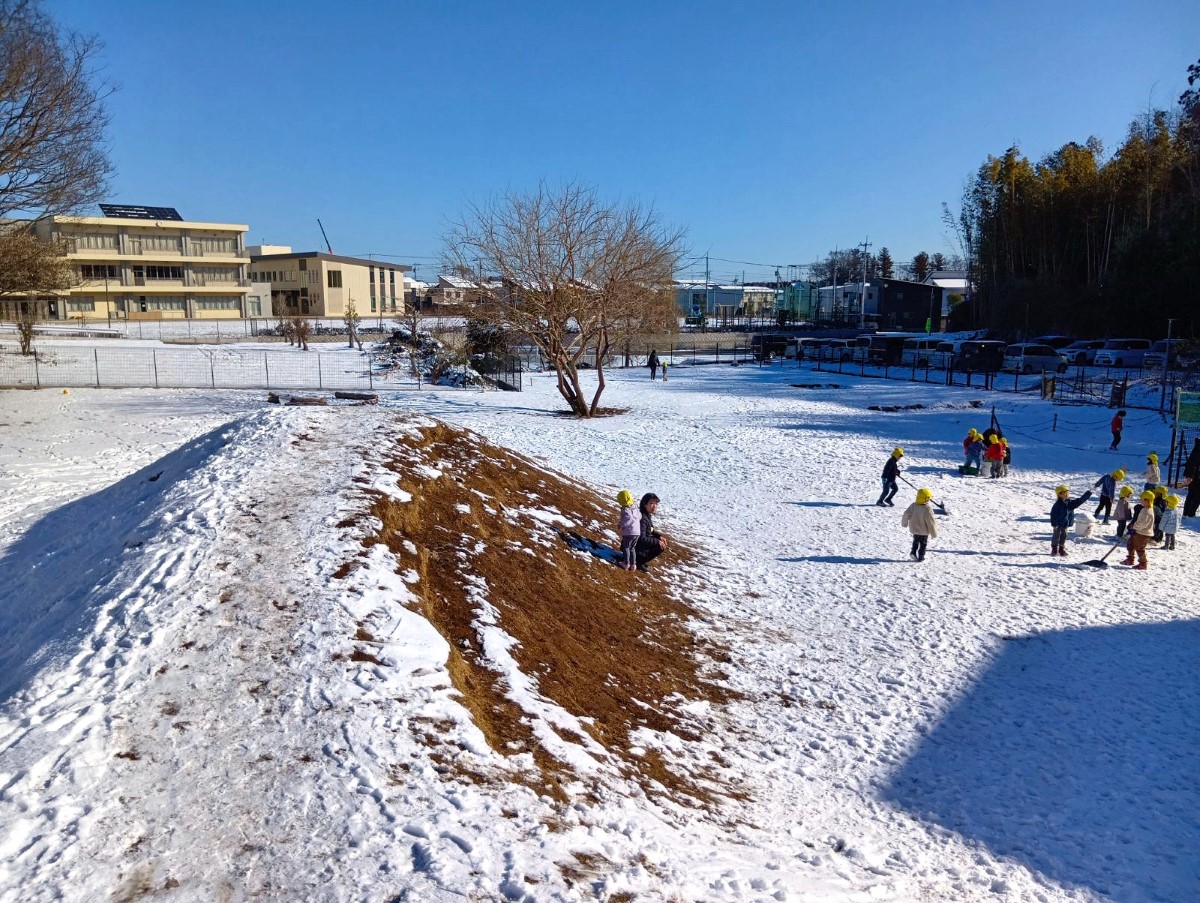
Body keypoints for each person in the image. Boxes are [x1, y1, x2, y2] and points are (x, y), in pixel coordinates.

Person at [1049, 484, 1092, 557]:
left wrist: (1088, 493)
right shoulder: (1057, 505)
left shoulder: (1069, 503)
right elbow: (1053, 515)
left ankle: (1061, 549)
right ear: (1059, 494)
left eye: (1067, 493)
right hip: (1057, 524)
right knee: (1056, 536)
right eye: (1064, 493)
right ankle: (1054, 548)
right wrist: (1054, 524)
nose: (1066, 494)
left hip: (1065, 524)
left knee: (1063, 536)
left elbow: (1080, 501)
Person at [901, 487, 938, 561]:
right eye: (928, 498)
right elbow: (931, 522)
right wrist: (933, 533)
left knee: (915, 541)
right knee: (923, 544)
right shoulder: (927, 508)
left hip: (914, 529)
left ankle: (913, 552)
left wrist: (904, 523)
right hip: (924, 531)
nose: (929, 499)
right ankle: (921, 556)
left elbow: (906, 514)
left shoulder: (913, 505)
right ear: (924, 498)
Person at [1123, 489, 1156, 569]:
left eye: (1141, 499)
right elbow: (1139, 521)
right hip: (1138, 531)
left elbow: (1143, 524)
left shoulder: (1147, 512)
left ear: (1147, 500)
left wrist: (1134, 527)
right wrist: (1134, 527)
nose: (1140, 501)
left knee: (1139, 548)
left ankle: (1143, 564)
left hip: (1143, 534)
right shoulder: (1144, 509)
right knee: (1130, 544)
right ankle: (1130, 559)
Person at [635, 492, 668, 572]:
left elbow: (650, 530)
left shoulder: (647, 515)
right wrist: (657, 542)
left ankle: (640, 560)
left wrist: (659, 536)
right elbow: (641, 538)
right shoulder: (642, 518)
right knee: (659, 546)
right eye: (651, 503)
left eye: (656, 504)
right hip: (634, 547)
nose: (654, 506)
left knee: (660, 542)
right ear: (644, 504)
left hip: (637, 546)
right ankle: (638, 562)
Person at [616, 489, 640, 571]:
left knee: (626, 547)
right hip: (637, 532)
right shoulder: (635, 507)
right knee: (632, 548)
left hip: (629, 532)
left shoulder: (625, 509)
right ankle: (633, 565)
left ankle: (626, 563)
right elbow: (639, 516)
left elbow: (628, 518)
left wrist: (621, 524)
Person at [1183, 438, 1200, 518]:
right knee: (1194, 495)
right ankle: (1189, 513)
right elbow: (1192, 462)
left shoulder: (1197, 446)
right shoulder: (1198, 448)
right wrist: (1189, 476)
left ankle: (1188, 513)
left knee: (1193, 494)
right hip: (1195, 476)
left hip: (1194, 475)